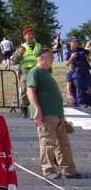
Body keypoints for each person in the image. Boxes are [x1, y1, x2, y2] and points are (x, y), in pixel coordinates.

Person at [26, 47, 82, 179]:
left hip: (57, 116)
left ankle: (69, 170)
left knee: (63, 143)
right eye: (50, 55)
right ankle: (48, 170)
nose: (53, 58)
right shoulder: (35, 71)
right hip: (46, 115)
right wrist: (38, 110)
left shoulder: (46, 73)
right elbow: (30, 91)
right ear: (41, 58)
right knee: (47, 142)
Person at [13, 27, 41, 118]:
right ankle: (24, 109)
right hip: (26, 70)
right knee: (25, 88)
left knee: (40, 89)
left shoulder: (39, 46)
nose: (31, 36)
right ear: (24, 37)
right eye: (28, 34)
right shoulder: (22, 47)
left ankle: (38, 109)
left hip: (38, 69)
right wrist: (20, 53)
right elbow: (14, 60)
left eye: (32, 34)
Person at [64, 37, 91, 107]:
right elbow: (67, 64)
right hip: (77, 69)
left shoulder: (80, 49)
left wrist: (88, 56)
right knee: (79, 86)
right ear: (70, 43)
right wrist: (72, 57)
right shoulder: (68, 52)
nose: (75, 43)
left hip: (85, 68)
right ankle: (80, 104)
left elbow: (88, 52)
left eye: (76, 41)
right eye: (73, 42)